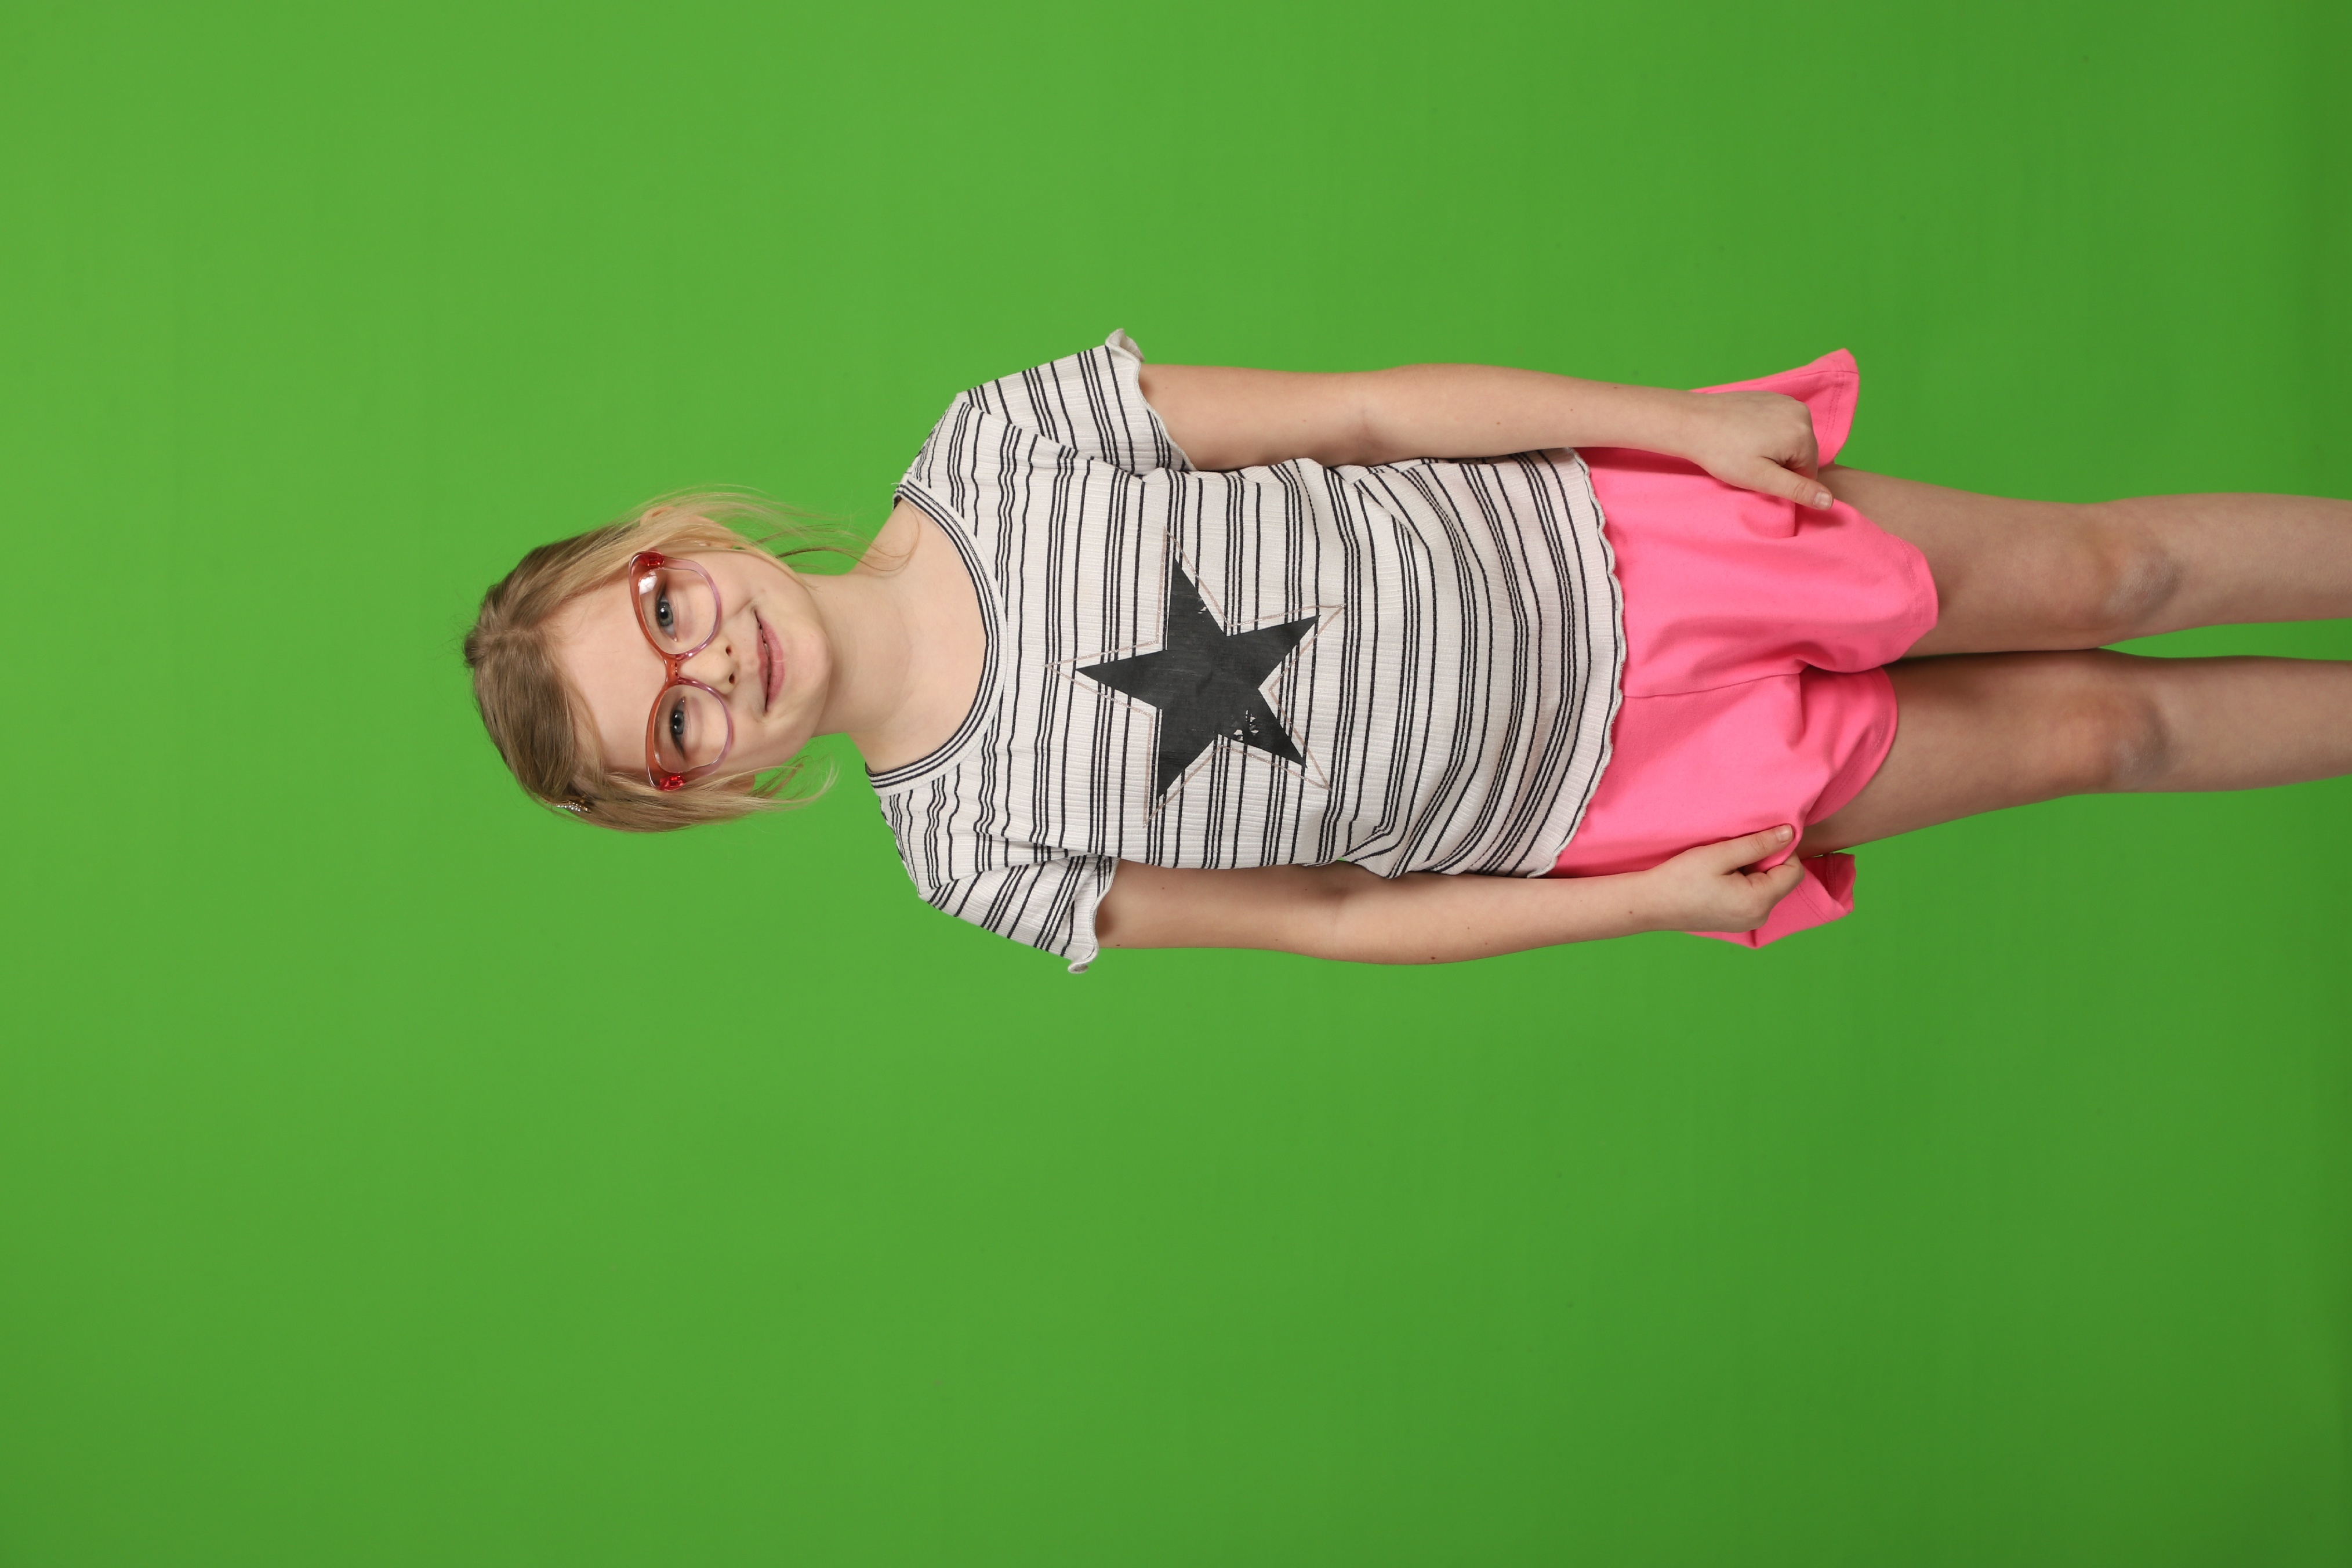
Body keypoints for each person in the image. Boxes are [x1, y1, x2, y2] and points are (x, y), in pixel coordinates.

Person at [463, 332, 2352, 969]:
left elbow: (1364, 413)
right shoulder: (968, 853)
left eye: (665, 614)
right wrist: (1639, 901)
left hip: (1625, 545)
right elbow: (1334, 914)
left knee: (2103, 570)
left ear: (678, 542)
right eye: (678, 727)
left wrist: (1671, 426)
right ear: (704, 789)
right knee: (2101, 738)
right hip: (1618, 796)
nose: (717, 665)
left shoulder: (1002, 443)